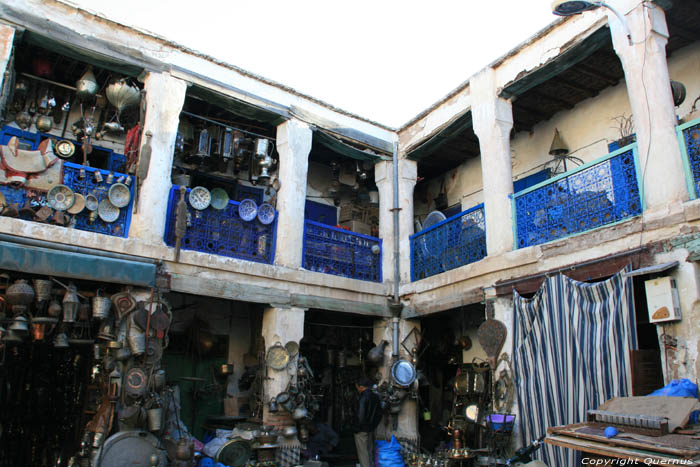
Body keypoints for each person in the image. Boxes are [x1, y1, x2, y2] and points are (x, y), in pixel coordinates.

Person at [353, 376, 382, 467]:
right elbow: (379, 414)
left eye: (357, 386)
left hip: (362, 430)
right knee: (369, 451)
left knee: (363, 454)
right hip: (370, 429)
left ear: (361, 387)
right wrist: (373, 426)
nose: (356, 388)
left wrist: (357, 428)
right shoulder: (375, 397)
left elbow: (360, 416)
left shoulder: (363, 398)